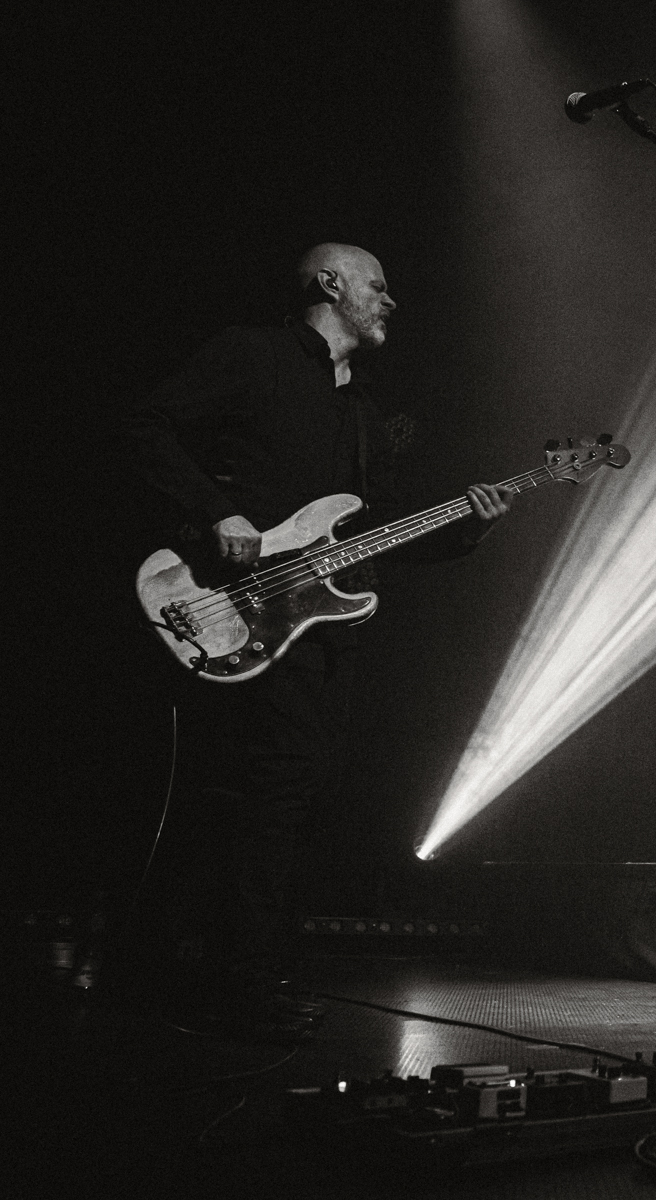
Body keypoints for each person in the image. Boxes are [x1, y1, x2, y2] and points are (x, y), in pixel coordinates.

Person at [120, 243, 513, 1038]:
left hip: (308, 635)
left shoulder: (364, 412)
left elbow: (373, 533)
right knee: (240, 794)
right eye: (378, 285)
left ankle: (228, 971)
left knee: (282, 797)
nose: (391, 301)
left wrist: (466, 527)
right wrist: (216, 511)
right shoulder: (252, 355)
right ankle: (206, 975)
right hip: (220, 602)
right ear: (331, 284)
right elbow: (147, 427)